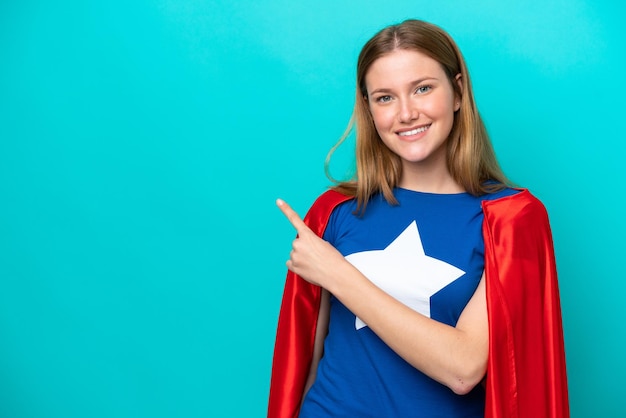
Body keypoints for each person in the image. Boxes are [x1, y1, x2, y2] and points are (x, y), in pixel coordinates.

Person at [268, 19, 569, 418]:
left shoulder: (510, 219)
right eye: (385, 98)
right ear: (369, 108)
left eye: (422, 88)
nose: (406, 113)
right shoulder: (335, 211)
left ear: (458, 91)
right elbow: (308, 354)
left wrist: (338, 274)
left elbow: (463, 368)